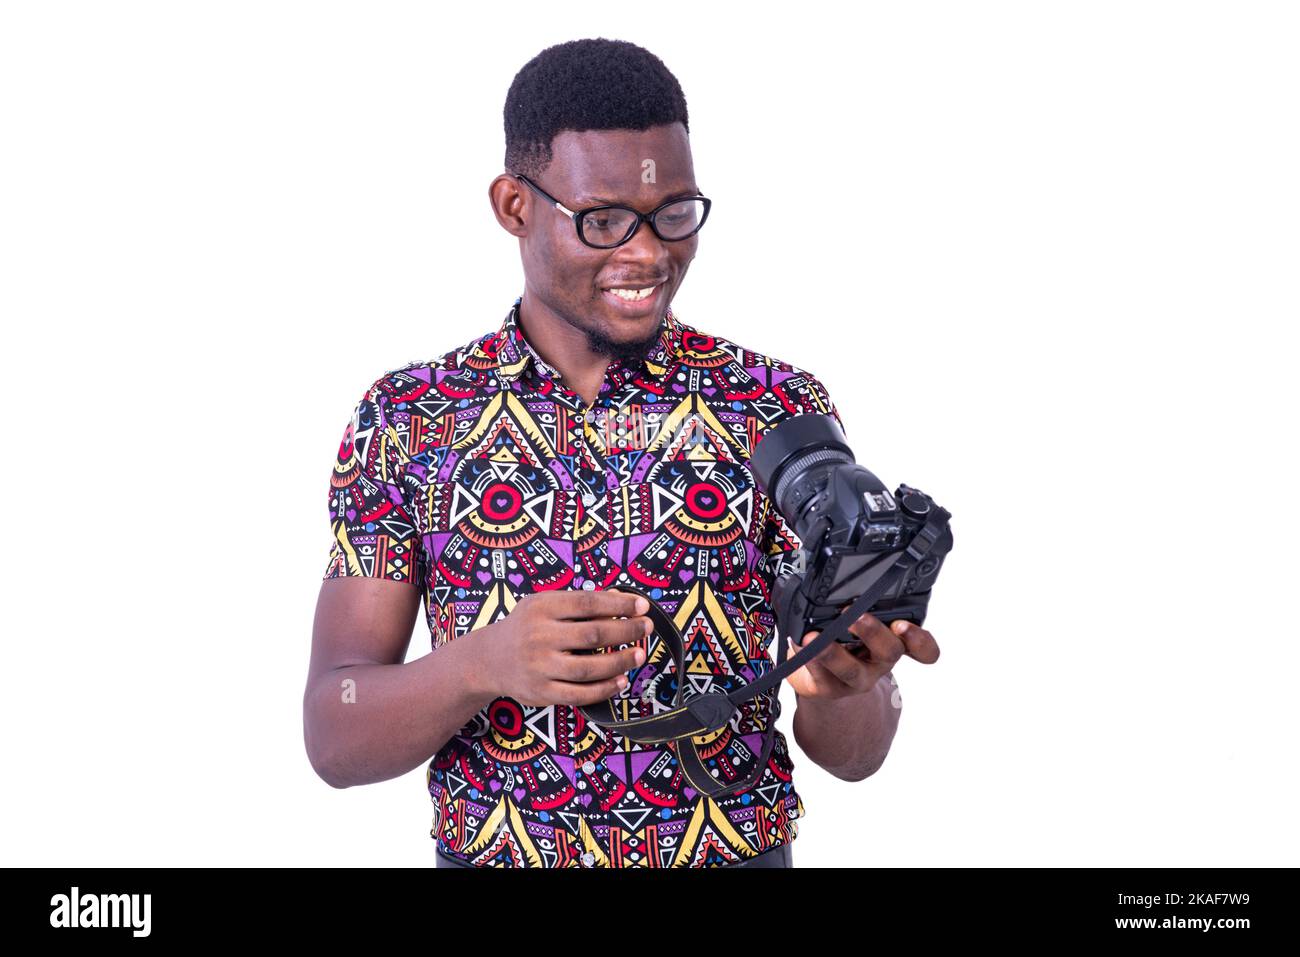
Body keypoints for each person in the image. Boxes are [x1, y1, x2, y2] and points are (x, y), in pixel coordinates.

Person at [304, 37, 941, 869]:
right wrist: (481, 663)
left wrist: (849, 682)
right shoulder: (410, 419)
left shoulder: (776, 406)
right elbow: (334, 729)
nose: (647, 253)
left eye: (674, 212)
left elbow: (853, 753)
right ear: (513, 205)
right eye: (603, 219)